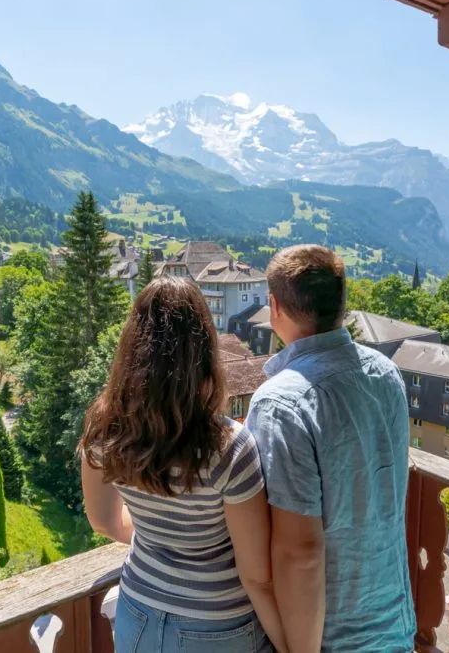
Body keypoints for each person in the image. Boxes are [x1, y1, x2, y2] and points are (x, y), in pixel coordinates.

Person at [79, 276, 288, 653]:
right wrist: (288, 645)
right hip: (218, 625)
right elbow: (256, 577)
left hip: (137, 613)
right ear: (203, 352)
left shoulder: (104, 429)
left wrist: (163, 539)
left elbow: (104, 522)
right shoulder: (229, 448)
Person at [246, 245, 414, 653]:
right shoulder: (385, 374)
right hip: (395, 625)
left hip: (331, 638)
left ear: (275, 307)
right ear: (340, 304)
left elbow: (298, 551)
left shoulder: (280, 404)